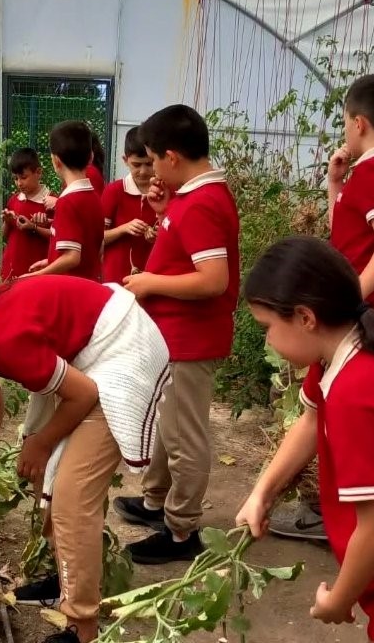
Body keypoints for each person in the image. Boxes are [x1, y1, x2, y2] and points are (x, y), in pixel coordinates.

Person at [0, 274, 170, 643]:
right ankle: (66, 582)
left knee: (72, 496)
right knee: (47, 477)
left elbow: (83, 394)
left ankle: (82, 628)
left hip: (123, 347)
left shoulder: (0, 340)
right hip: (87, 353)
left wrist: (42, 442)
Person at [236, 236, 374, 643]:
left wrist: (339, 600)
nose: (268, 342)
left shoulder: (356, 392)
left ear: (305, 317)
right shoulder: (346, 351)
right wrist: (262, 492)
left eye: (267, 328)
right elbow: (310, 422)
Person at [270, 73, 374, 541]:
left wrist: (349, 301)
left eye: (344, 122)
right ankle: (340, 513)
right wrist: (335, 185)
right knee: (323, 406)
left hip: (369, 314)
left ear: (358, 123)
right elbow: (350, 238)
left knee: (333, 412)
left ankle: (354, 521)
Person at [117, 104, 240, 564]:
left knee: (185, 436)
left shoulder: (204, 202)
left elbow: (213, 279)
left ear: (171, 156)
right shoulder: (191, 197)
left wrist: (150, 282)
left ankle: (181, 530)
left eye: (152, 159)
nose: (150, 170)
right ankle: (157, 503)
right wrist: (165, 211)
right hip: (175, 336)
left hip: (190, 339)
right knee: (168, 427)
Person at [27, 120, 104, 280]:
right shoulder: (94, 198)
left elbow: (72, 257)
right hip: (89, 283)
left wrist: (37, 276)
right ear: (91, 157)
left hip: (69, 287)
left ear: (56, 161)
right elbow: (91, 249)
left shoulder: (67, 202)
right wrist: (51, 262)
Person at [100, 126, 158, 283]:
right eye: (136, 165)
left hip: (153, 278)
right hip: (116, 277)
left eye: (149, 164)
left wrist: (157, 235)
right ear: (125, 160)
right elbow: (96, 238)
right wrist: (123, 229)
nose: (143, 171)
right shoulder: (114, 191)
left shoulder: (164, 191)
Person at [0, 148, 53, 281]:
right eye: (15, 178)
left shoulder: (51, 202)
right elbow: (4, 235)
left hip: (36, 270)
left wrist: (35, 228)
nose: (19, 183)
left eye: (23, 177)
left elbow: (57, 237)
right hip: (11, 268)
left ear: (38, 172)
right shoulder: (14, 200)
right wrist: (7, 221)